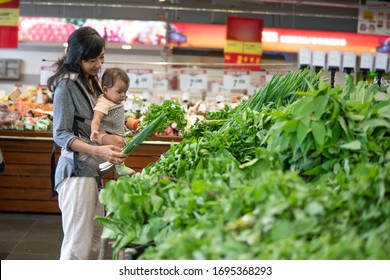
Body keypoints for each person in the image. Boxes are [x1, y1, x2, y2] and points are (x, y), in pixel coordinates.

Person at [47, 26, 128, 260]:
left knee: (93, 242)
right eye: (92, 60)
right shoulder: (66, 86)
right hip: (75, 172)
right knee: (77, 246)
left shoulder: (91, 81)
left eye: (101, 57)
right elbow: (60, 134)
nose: (99, 64)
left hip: (91, 172)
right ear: (77, 58)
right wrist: (98, 148)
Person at [90, 67, 139, 176]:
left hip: (114, 132)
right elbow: (96, 118)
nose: (123, 95)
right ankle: (119, 166)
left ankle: (114, 163)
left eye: (125, 91)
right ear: (106, 90)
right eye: (119, 91)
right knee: (118, 142)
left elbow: (123, 117)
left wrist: (136, 125)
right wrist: (94, 130)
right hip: (102, 134)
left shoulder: (115, 102)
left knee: (123, 142)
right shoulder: (104, 103)